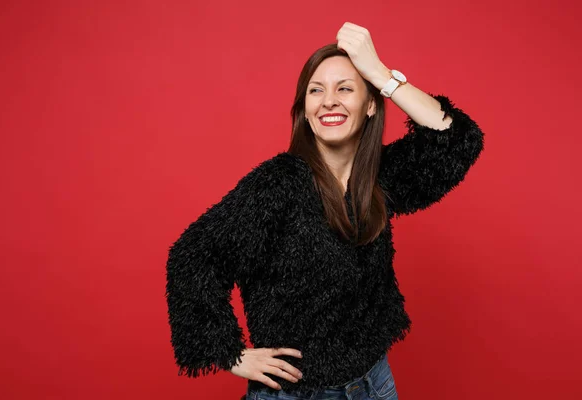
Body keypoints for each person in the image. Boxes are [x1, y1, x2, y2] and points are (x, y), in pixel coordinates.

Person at [165, 22, 485, 400]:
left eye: (345, 89)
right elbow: (191, 257)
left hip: (374, 385)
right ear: (304, 109)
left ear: (370, 105)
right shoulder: (278, 183)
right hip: (298, 394)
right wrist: (230, 355)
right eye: (316, 91)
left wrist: (379, 73)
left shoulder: (379, 177)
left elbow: (456, 141)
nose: (328, 101)